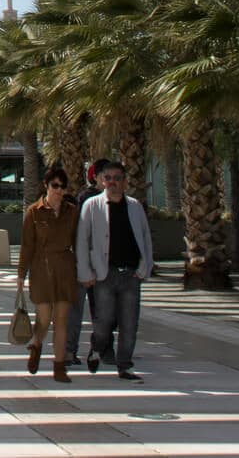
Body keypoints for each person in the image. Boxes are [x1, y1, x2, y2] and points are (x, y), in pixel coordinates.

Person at [76, 160, 153, 381]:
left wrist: (144, 267)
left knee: (130, 323)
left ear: (125, 182)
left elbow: (145, 237)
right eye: (107, 178)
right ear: (100, 180)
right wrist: (85, 273)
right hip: (104, 274)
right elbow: (82, 240)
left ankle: (125, 365)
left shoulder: (135, 206)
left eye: (117, 178)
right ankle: (97, 347)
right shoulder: (92, 205)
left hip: (130, 274)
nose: (112, 182)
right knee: (104, 322)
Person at [17, 166, 80, 382]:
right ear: (46, 186)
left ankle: (59, 367)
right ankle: (36, 344)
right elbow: (27, 246)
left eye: (63, 187)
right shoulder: (34, 212)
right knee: (44, 318)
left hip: (64, 268)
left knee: (61, 320)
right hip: (41, 269)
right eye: (55, 186)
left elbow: (77, 241)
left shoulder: (71, 212)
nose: (59, 190)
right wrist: (20, 274)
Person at [65, 158, 109, 363]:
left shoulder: (116, 200)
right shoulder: (86, 199)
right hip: (83, 263)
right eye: (106, 177)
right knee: (78, 309)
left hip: (103, 264)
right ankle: (70, 350)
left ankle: (100, 349)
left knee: (102, 310)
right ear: (97, 177)